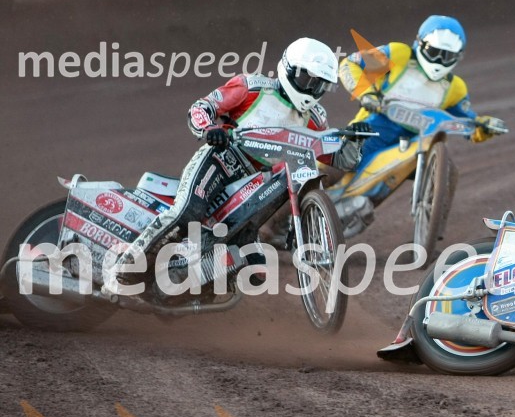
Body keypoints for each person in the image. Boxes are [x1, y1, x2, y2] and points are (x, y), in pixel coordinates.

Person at [106, 37, 366, 292]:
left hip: (259, 183)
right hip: (222, 159)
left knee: (255, 271)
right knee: (186, 213)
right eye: (308, 79)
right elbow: (202, 107)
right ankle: (128, 263)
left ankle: (186, 283)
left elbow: (337, 158)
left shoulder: (316, 118)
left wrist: (355, 140)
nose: (311, 89)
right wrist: (209, 129)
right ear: (289, 69)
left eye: (320, 84)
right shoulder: (252, 87)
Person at [332, 14, 507, 237]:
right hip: (376, 126)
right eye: (434, 53)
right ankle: (302, 196)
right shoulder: (399, 54)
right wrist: (366, 94)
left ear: (457, 57)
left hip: (418, 142)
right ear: (420, 44)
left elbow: (468, 123)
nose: (439, 61)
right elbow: (351, 64)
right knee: (339, 159)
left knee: (447, 172)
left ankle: (431, 233)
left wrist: (484, 126)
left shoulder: (455, 88)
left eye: (446, 56)